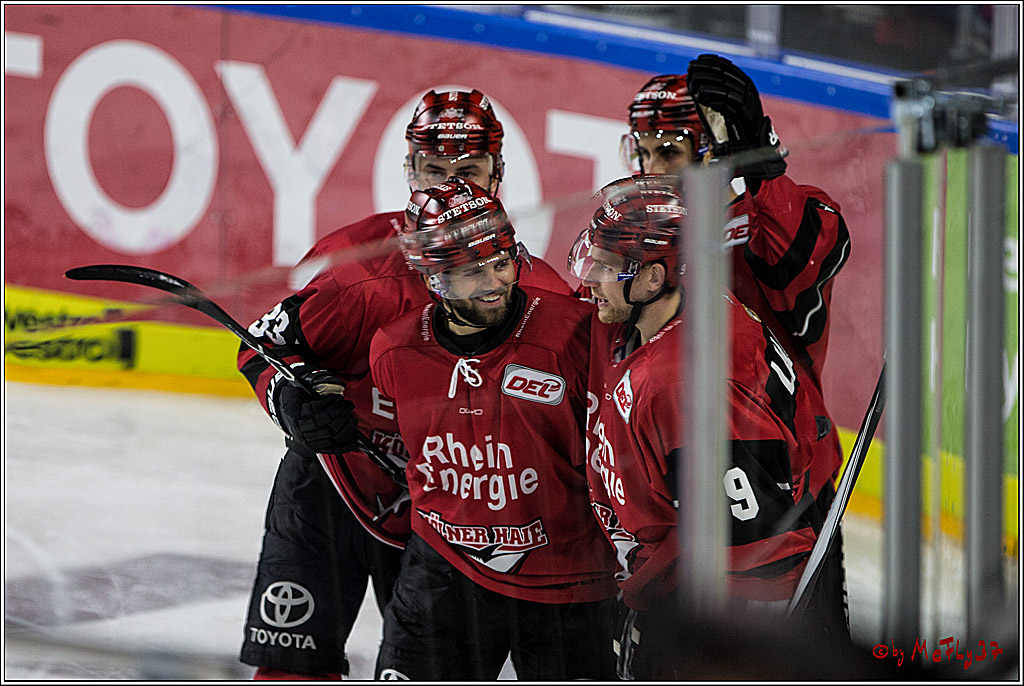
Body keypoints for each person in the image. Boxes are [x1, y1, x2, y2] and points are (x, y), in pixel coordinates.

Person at [237, 89, 572, 680]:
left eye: (467, 171)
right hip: (332, 488)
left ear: (498, 173)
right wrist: (292, 401)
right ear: (409, 170)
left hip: (449, 517)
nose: (446, 186)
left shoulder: (536, 293)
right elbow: (265, 349)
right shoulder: (355, 270)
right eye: (432, 171)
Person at [568, 175, 838, 679]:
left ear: (653, 279)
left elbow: (758, 550)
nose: (590, 281)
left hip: (702, 616)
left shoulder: (686, 382)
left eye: (606, 268)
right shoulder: (684, 311)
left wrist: (719, 649)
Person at [622, 55, 852, 637]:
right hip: (671, 482)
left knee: (800, 666)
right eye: (642, 152)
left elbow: (805, 258)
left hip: (779, 482)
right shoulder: (630, 234)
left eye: (669, 152)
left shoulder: (761, 216)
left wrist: (757, 160)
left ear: (710, 149)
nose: (652, 170)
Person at [367, 177, 620, 680]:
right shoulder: (392, 351)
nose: (494, 281)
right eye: (472, 270)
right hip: (441, 576)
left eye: (501, 261)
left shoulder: (574, 335)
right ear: (432, 276)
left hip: (567, 585)